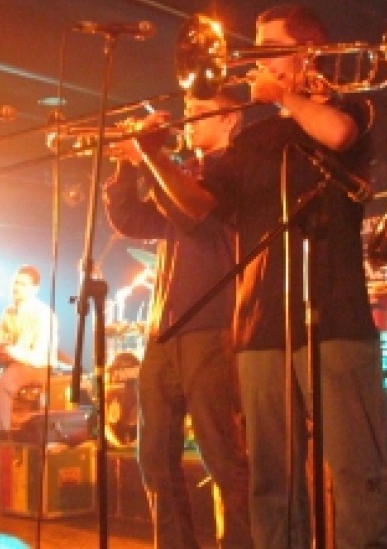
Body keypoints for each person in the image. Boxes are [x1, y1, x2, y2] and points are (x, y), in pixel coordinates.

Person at [132, 4, 387, 548]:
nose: (253, 60)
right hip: (259, 329)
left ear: (307, 53)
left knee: (358, 474)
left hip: (335, 317)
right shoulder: (252, 142)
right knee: (271, 485)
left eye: (268, 49)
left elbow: (338, 134)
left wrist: (286, 97)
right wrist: (153, 157)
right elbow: (199, 211)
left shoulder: (350, 107)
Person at [103, 89, 253, 548]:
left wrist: (151, 157)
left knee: (222, 457)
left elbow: (196, 216)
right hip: (163, 332)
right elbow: (131, 220)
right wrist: (128, 166)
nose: (189, 121)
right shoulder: (182, 173)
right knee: (155, 458)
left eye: (202, 113)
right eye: (188, 113)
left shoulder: (233, 169)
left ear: (230, 121)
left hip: (213, 326)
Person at [0, 264, 59, 480]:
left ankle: (0, 448)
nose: (16, 288)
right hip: (14, 364)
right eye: (15, 283)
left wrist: (11, 352)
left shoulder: (43, 314)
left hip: (37, 366)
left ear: (35, 288)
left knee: (2, 387)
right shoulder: (8, 312)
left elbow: (41, 354)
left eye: (22, 284)